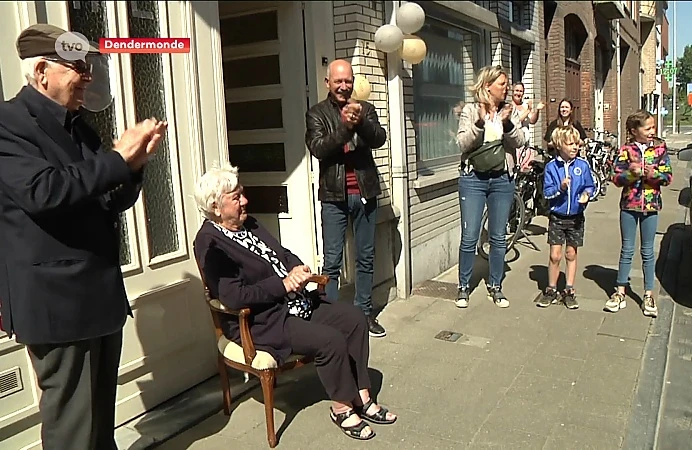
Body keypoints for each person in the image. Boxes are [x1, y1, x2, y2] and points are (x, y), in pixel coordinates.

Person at [0, 24, 166, 450]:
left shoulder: (81, 129)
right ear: (42, 72)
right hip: (57, 305)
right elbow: (45, 192)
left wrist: (133, 166)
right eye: (77, 65)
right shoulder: (8, 124)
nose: (87, 75)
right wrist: (115, 159)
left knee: (99, 429)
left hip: (99, 297)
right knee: (73, 432)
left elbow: (108, 199)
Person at [193, 163, 396, 441]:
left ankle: (361, 395)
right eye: (237, 197)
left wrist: (298, 269)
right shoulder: (210, 243)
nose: (245, 201)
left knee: (354, 320)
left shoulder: (249, 223)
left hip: (295, 303)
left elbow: (282, 253)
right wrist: (282, 284)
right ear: (216, 207)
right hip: (262, 320)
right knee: (330, 341)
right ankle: (342, 408)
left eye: (242, 193)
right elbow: (232, 296)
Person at [305, 59, 388, 338]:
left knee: (365, 257)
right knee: (332, 261)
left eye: (348, 81)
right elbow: (318, 148)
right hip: (334, 196)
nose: (343, 86)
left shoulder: (366, 109)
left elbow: (379, 139)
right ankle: (331, 318)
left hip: (365, 192)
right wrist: (343, 127)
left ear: (353, 83)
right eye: (338, 81)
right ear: (327, 83)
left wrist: (360, 121)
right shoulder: (316, 113)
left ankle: (364, 314)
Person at [454, 65, 527, 309]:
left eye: (506, 84)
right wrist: (479, 122)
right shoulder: (470, 110)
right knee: (470, 235)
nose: (506, 89)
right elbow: (462, 143)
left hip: (501, 179)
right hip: (473, 179)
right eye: (502, 84)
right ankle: (463, 286)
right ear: (488, 86)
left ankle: (495, 285)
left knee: (497, 235)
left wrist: (507, 125)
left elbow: (520, 141)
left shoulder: (509, 111)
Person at [605, 110, 673, 317]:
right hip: (629, 205)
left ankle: (648, 294)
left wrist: (651, 173)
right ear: (635, 131)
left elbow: (668, 177)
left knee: (648, 251)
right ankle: (620, 291)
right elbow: (615, 178)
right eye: (648, 128)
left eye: (653, 127)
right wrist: (631, 174)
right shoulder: (626, 150)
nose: (652, 131)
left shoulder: (660, 149)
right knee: (627, 249)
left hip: (651, 206)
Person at [536, 126, 595, 310]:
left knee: (571, 253)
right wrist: (560, 189)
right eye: (570, 143)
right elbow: (547, 193)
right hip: (557, 216)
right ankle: (551, 289)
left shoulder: (582, 165)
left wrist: (587, 194)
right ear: (560, 146)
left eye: (576, 143)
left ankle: (569, 290)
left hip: (576, 217)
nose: (575, 147)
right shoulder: (551, 167)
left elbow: (590, 186)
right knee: (555, 255)